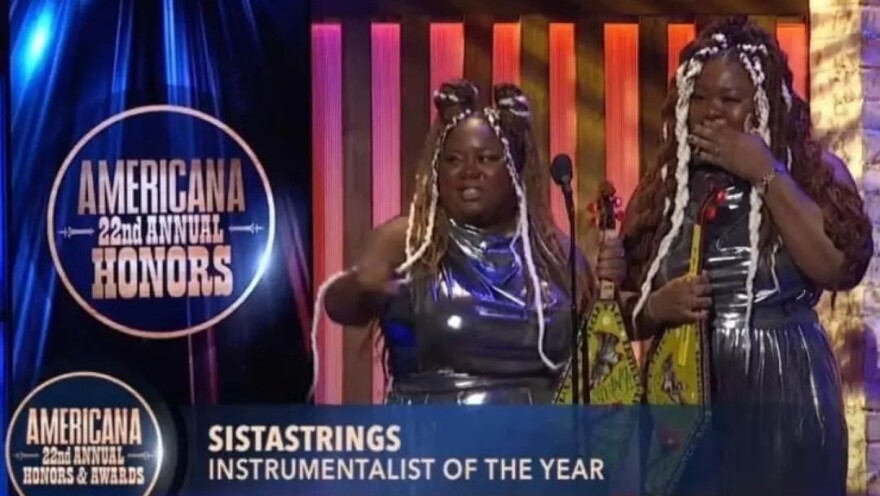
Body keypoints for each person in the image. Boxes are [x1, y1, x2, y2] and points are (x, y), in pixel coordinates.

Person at [620, 17, 873, 496]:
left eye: (729, 100)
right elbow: (615, 314)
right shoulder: (665, 188)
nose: (711, 112)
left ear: (761, 103)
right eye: (699, 98)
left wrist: (766, 172)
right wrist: (656, 307)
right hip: (689, 391)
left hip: (786, 385)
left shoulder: (812, 171)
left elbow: (838, 268)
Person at [313, 79, 624, 405]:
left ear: (515, 169)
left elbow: (601, 344)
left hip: (541, 447)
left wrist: (614, 291)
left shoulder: (552, 251)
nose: (468, 171)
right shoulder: (409, 240)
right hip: (435, 445)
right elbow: (340, 304)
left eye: (486, 159)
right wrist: (362, 285)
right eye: (453, 160)